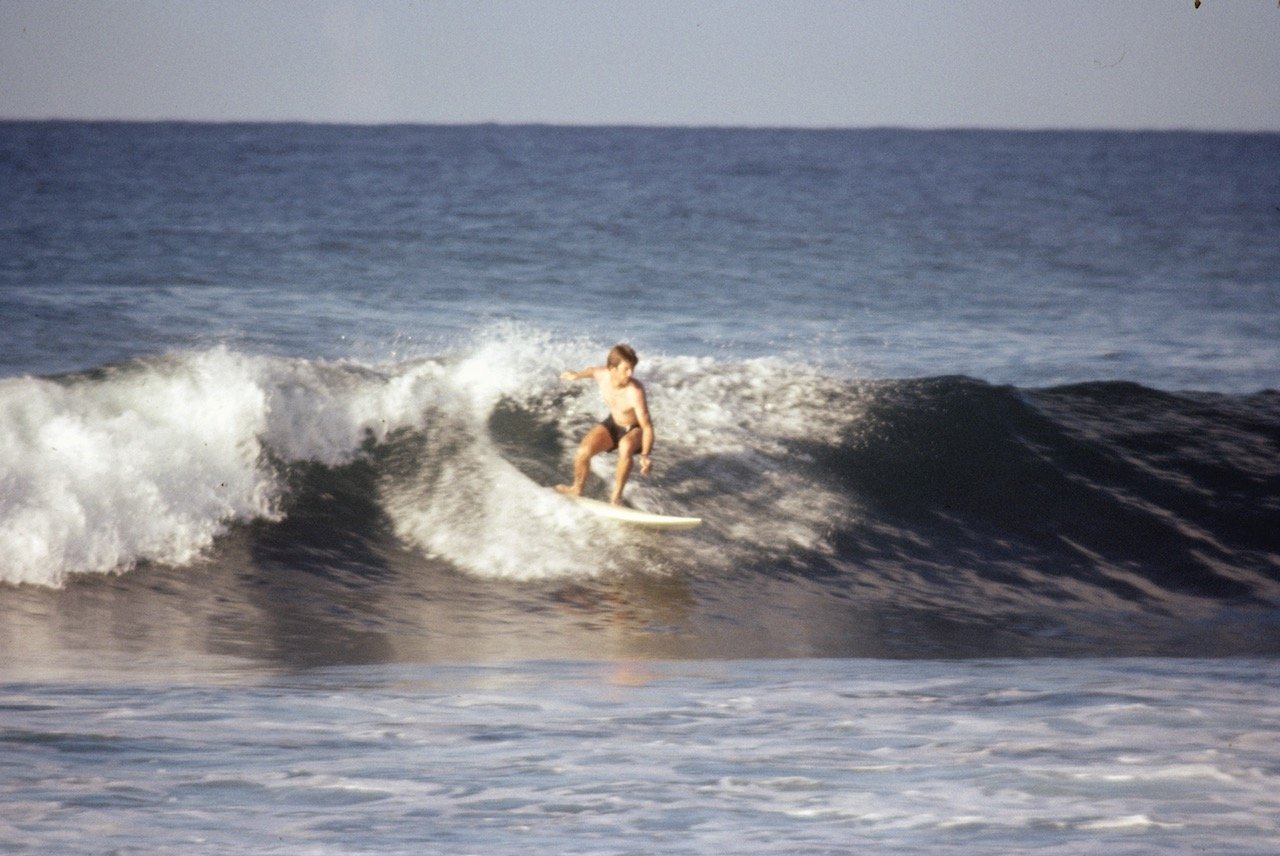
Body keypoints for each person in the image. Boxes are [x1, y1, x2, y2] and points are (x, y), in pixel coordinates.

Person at [556, 344, 654, 505]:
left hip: (635, 429)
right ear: (612, 369)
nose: (630, 374)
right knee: (583, 452)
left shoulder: (635, 391)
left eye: (632, 369)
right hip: (614, 423)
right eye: (626, 369)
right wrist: (577, 376)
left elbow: (647, 426)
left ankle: (616, 497)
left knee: (625, 445)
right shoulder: (603, 374)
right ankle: (576, 488)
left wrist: (645, 455)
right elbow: (591, 371)